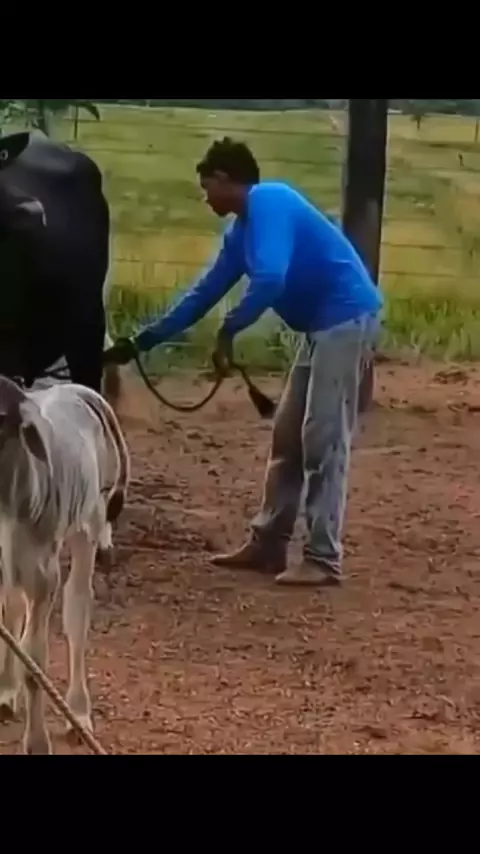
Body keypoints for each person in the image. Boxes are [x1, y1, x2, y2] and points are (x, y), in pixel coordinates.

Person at [104, 137, 383, 588]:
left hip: (347, 320)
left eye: (206, 188)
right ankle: (269, 543)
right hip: (322, 327)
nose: (206, 198)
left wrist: (229, 329)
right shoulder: (239, 234)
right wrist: (142, 342)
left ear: (223, 179)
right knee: (288, 436)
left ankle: (323, 557)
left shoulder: (270, 200)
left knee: (323, 438)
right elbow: (202, 295)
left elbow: (271, 277)